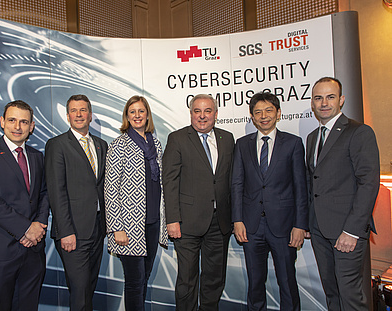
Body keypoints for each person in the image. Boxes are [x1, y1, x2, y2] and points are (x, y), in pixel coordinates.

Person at [306, 77, 380, 310]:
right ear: (313, 103)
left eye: (330, 97)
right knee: (332, 293)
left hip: (346, 231)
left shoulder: (359, 132)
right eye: (318, 98)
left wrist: (352, 231)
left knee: (351, 297)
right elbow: (314, 183)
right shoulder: (312, 137)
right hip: (319, 229)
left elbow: (368, 183)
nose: (324, 103)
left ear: (342, 100)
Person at [0, 100, 49, 311]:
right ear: (2, 122)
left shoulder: (37, 157)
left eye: (24, 122)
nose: (17, 127)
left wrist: (39, 225)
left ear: (31, 126)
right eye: (12, 120)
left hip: (32, 253)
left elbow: (43, 194)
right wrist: (25, 229)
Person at [231, 92, 308, 310]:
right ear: (252, 117)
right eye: (258, 112)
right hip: (251, 226)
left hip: (284, 226)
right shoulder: (242, 144)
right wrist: (237, 220)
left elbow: (301, 188)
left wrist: (300, 225)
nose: (263, 116)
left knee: (287, 281)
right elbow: (237, 184)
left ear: (278, 113)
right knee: (255, 283)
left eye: (268, 111)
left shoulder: (293, 143)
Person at [162, 94, 234, 311]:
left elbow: (232, 180)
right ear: (191, 113)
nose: (202, 116)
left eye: (208, 111)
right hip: (187, 223)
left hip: (219, 222)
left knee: (214, 279)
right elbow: (170, 181)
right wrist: (172, 219)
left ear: (216, 113)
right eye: (197, 111)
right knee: (187, 280)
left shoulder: (227, 138)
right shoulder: (178, 138)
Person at [45, 94, 108, 311]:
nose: (79, 114)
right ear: (67, 115)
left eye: (83, 110)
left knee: (88, 290)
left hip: (97, 229)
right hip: (73, 232)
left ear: (90, 115)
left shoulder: (101, 145)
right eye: (74, 110)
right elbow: (56, 191)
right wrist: (65, 231)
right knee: (80, 295)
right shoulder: (57, 145)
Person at [105, 95, 168, 310]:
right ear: (127, 116)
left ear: (147, 114)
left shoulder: (156, 144)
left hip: (152, 223)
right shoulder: (119, 145)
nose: (137, 115)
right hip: (129, 226)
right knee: (134, 282)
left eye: (141, 111)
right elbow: (110, 189)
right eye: (132, 112)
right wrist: (117, 228)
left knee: (144, 278)